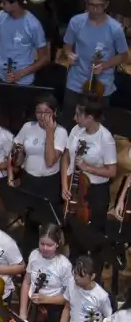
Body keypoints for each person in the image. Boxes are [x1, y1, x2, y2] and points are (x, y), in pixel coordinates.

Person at [61, 0, 128, 119]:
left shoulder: (115, 28)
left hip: (101, 85)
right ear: (86, 2)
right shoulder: (76, 21)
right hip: (76, 80)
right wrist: (69, 54)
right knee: (68, 120)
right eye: (91, 5)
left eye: (99, 6)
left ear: (106, 4)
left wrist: (104, 65)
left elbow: (124, 56)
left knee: (98, 123)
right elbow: (67, 46)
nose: (95, 9)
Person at [63, 96, 119, 240]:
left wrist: (87, 168)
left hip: (95, 191)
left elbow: (112, 171)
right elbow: (66, 156)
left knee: (93, 233)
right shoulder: (76, 130)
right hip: (74, 185)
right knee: (72, 226)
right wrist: (64, 185)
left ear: (90, 117)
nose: (74, 118)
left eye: (78, 115)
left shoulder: (105, 138)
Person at [12, 96, 66, 240]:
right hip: (29, 178)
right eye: (38, 112)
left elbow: (50, 161)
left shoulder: (60, 132)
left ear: (54, 113)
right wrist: (17, 158)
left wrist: (49, 132)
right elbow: (19, 151)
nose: (42, 116)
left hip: (49, 182)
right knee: (30, 220)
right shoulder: (28, 127)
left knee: (48, 221)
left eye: (46, 112)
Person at [0, 0, 49, 88]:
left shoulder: (33, 25)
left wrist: (21, 73)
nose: (1, 6)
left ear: (15, 4)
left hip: (22, 80)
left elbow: (44, 58)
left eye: (4, 3)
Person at [55, 256, 111, 322]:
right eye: (75, 273)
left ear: (92, 276)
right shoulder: (72, 283)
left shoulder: (101, 296)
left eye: (81, 275)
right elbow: (67, 307)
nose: (76, 277)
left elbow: (109, 319)